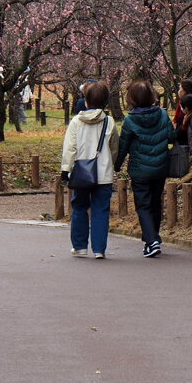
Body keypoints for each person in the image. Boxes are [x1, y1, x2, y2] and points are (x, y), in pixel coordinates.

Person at [114, 81, 176, 258]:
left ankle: (151, 241)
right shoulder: (163, 115)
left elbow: (123, 145)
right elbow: (172, 136)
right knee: (155, 203)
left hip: (140, 169)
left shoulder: (130, 120)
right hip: (160, 167)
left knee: (143, 205)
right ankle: (154, 237)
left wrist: (117, 165)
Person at [60, 82, 118, 259]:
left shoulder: (76, 122)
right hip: (104, 174)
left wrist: (65, 169)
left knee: (79, 206)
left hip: (82, 173)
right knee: (101, 210)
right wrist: (112, 164)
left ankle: (80, 246)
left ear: (85, 101)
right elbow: (115, 147)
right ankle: (99, 249)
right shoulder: (109, 121)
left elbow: (70, 148)